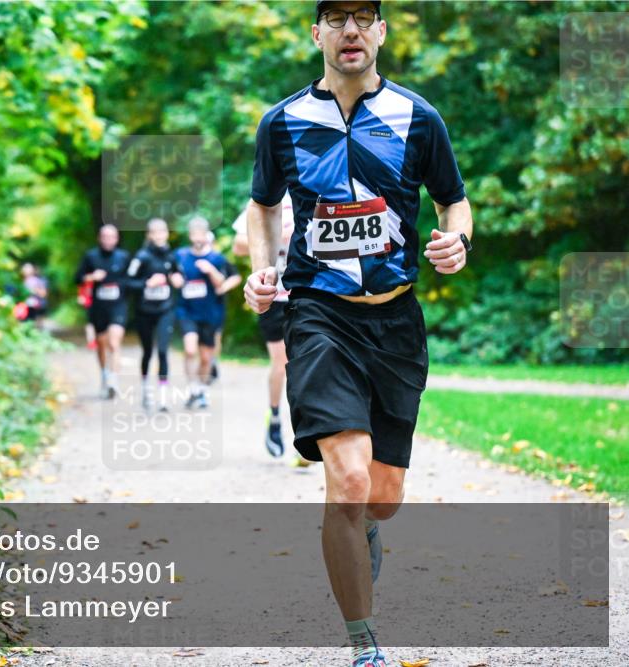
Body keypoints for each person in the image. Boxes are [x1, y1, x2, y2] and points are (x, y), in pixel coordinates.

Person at [242, 2, 473, 666]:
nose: (351, 29)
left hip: (396, 321)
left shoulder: (417, 117)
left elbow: (453, 200)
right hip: (319, 315)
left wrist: (457, 239)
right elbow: (262, 206)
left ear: (381, 32)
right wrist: (263, 268)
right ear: (316, 32)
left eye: (364, 16)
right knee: (346, 481)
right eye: (336, 17)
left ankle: (365, 529)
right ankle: (363, 643)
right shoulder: (283, 121)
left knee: (382, 498)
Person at [232, 192, 297, 457]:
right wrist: (275, 237)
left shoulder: (316, 191)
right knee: (282, 364)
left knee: (308, 363)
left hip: (305, 295)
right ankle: (275, 416)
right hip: (273, 297)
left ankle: (308, 431)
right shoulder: (267, 198)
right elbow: (238, 244)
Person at [175, 217, 241, 409]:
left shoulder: (216, 259)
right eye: (194, 234)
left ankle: (202, 390)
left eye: (200, 235)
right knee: (189, 350)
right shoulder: (180, 256)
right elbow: (170, 271)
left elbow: (225, 281)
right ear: (190, 236)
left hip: (210, 313)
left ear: (206, 236)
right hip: (187, 311)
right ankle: (192, 388)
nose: (197, 238)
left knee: (206, 358)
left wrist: (211, 271)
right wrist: (174, 277)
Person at [126, 218, 184, 412]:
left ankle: (163, 397)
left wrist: (178, 280)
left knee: (163, 351)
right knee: (148, 352)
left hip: (165, 310)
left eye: (163, 231)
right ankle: (145, 389)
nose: (160, 236)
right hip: (144, 312)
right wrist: (147, 284)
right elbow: (127, 282)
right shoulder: (141, 257)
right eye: (155, 232)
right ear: (149, 235)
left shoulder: (171, 256)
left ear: (167, 233)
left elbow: (179, 277)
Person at [74, 224, 130, 398]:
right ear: (99, 238)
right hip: (98, 307)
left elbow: (132, 279)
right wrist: (91, 277)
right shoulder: (91, 256)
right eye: (105, 236)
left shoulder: (124, 257)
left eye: (111, 237)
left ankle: (114, 379)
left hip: (118, 305)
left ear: (117, 239)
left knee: (114, 342)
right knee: (101, 343)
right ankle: (105, 375)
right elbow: (77, 278)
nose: (108, 240)